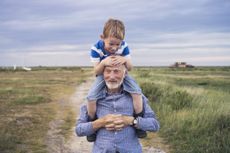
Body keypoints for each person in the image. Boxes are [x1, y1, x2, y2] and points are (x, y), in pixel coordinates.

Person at [76, 64, 160, 153]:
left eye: (117, 71)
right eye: (108, 71)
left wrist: (131, 121)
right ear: (102, 75)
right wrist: (100, 122)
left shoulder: (138, 98)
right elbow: (79, 130)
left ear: (125, 74)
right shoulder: (92, 99)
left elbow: (154, 125)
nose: (112, 76)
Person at [87, 18, 146, 141]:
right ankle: (92, 124)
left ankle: (139, 122)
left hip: (122, 73)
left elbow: (130, 68)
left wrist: (125, 60)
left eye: (117, 44)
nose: (114, 48)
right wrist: (104, 62)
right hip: (103, 75)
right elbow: (96, 71)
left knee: (137, 92)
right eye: (111, 44)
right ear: (102, 37)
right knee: (91, 97)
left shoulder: (124, 46)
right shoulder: (95, 49)